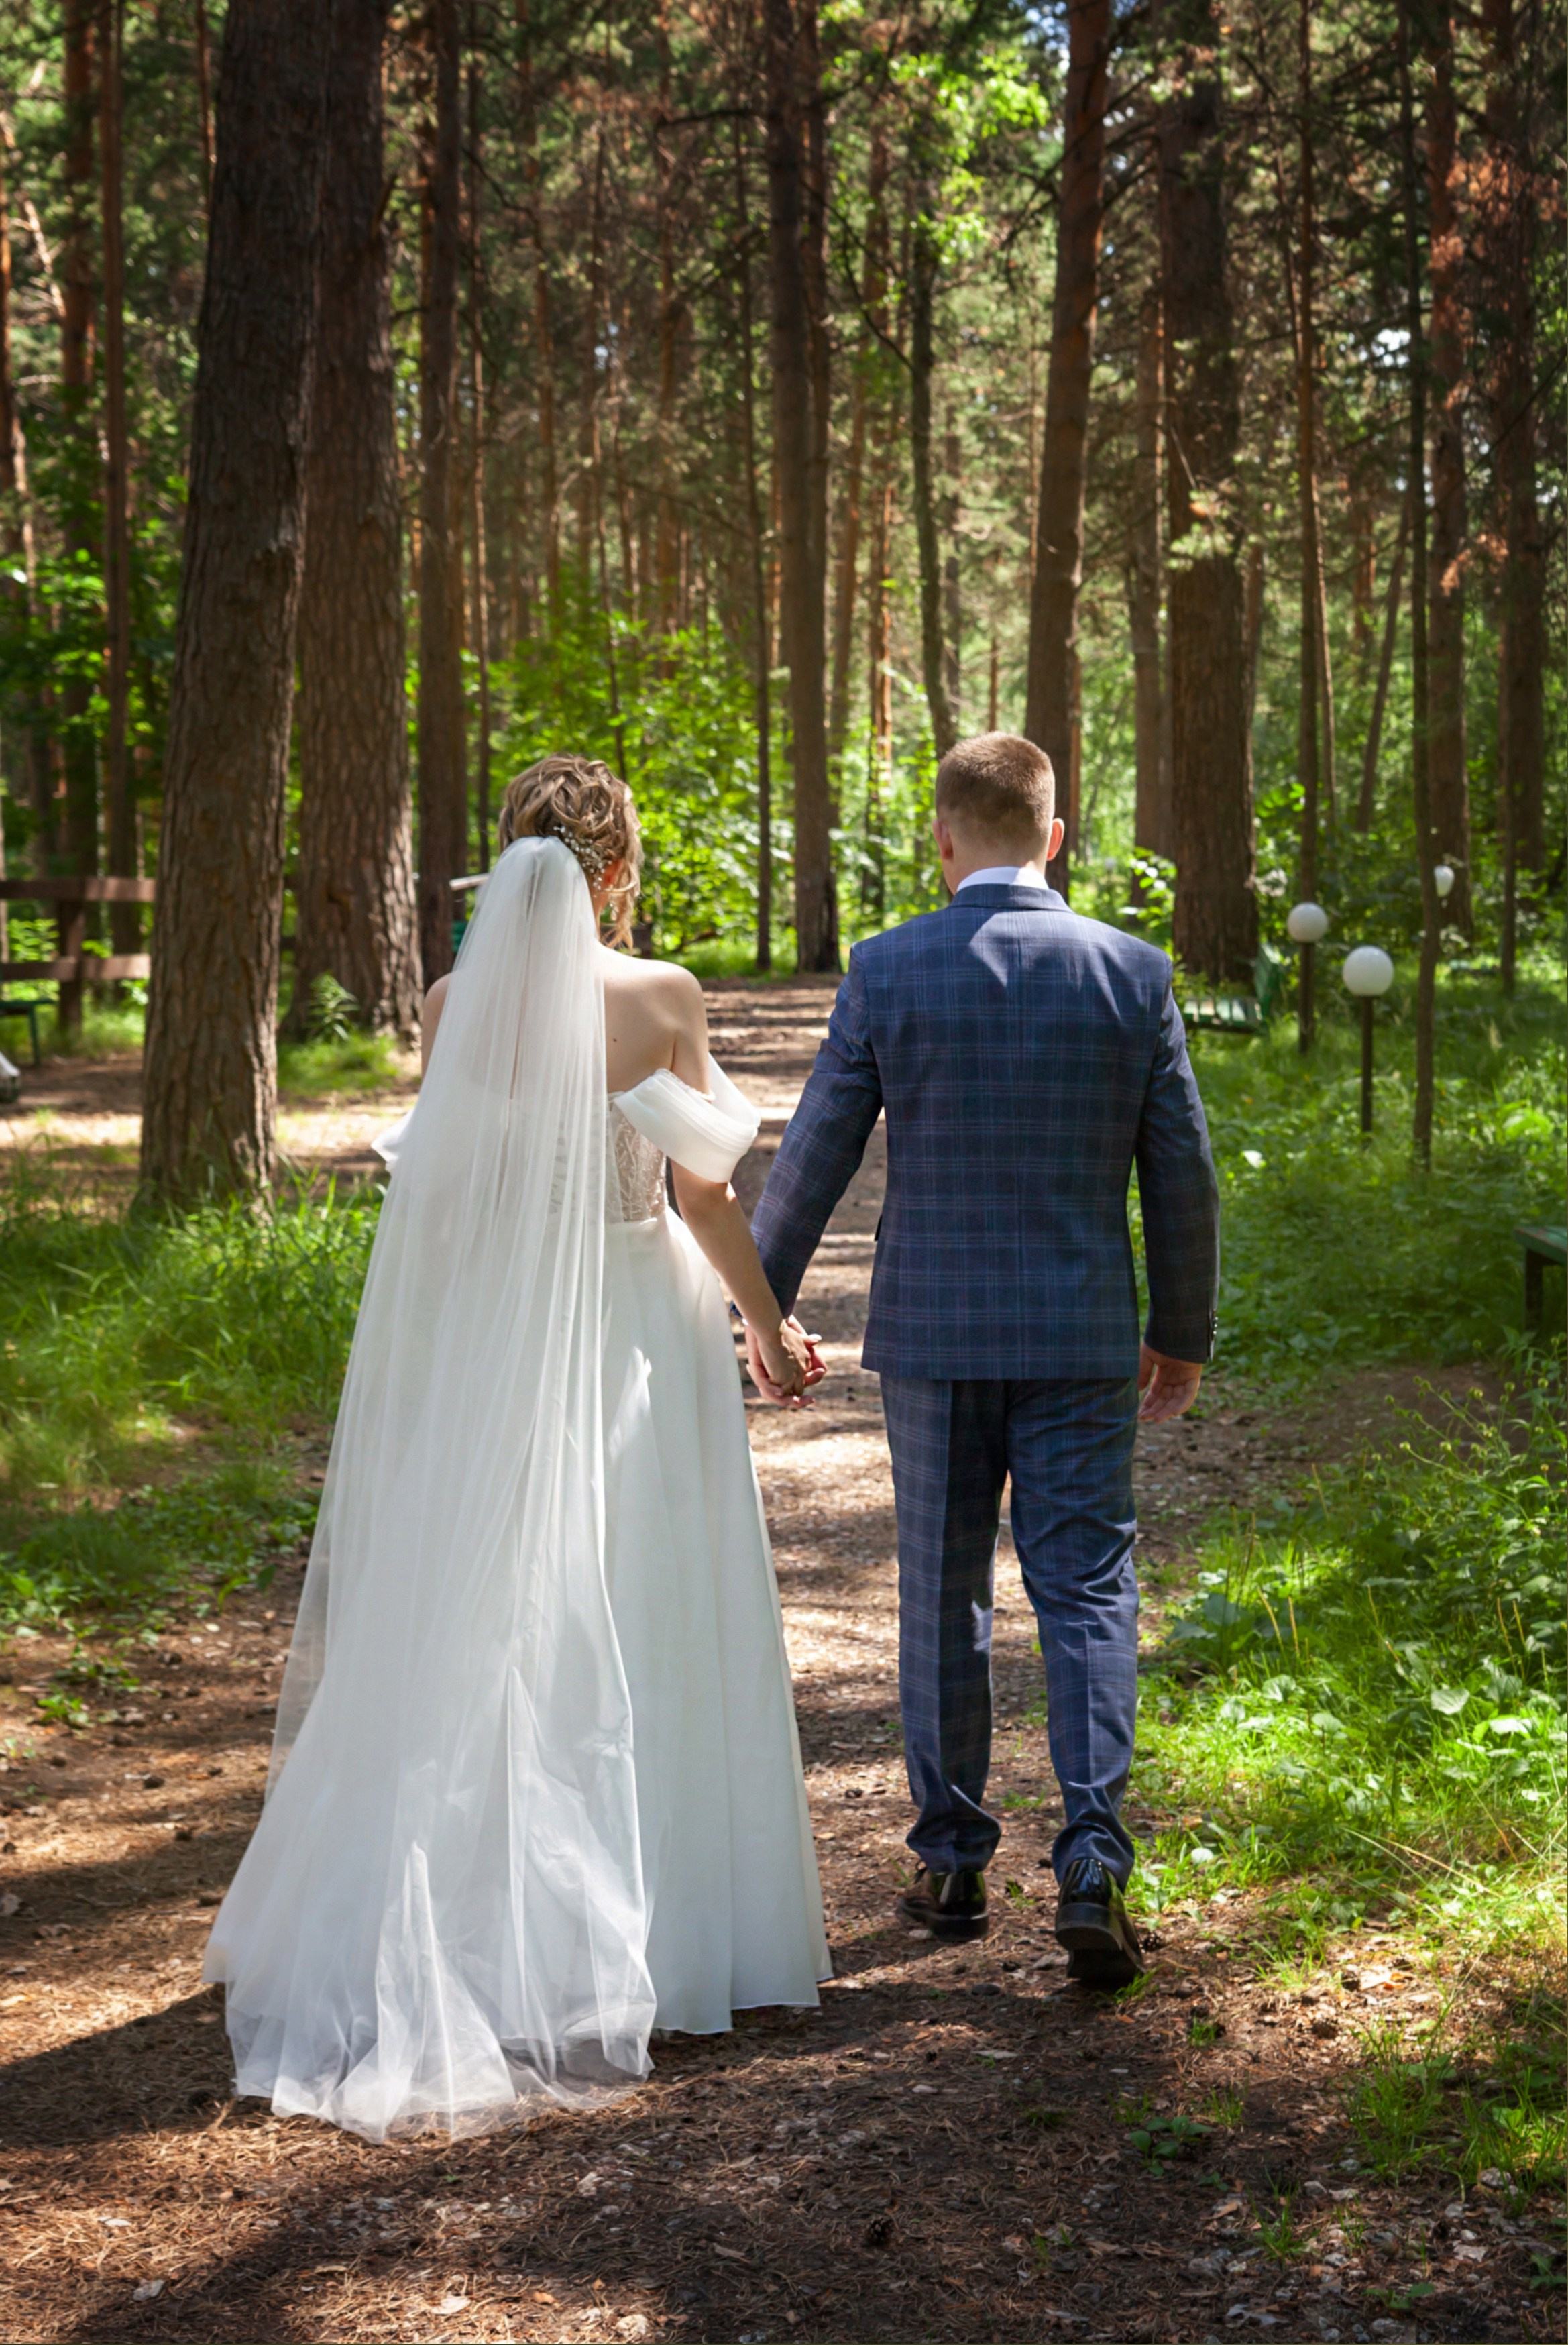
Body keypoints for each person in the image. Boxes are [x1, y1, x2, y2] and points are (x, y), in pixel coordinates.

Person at [205, 756, 829, 2140]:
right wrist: (771, 1332)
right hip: (635, 1325)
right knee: (643, 1593)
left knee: (488, 1607)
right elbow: (704, 1195)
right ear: (616, 873)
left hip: (499, 1323)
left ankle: (472, 1915)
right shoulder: (660, 998)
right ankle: (665, 1938)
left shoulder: (448, 1006)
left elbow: (451, 1201)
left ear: (512, 866)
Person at [750, 732, 1219, 1988]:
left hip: (936, 1341)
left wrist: (754, 1306)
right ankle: (1092, 1865)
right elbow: (1181, 1169)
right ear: (1053, 836)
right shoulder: (1131, 971)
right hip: (1076, 1343)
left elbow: (813, 1155)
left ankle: (953, 1858)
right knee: (1086, 1592)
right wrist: (1179, 1332)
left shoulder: (889, 970)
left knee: (941, 1589)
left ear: (943, 841)